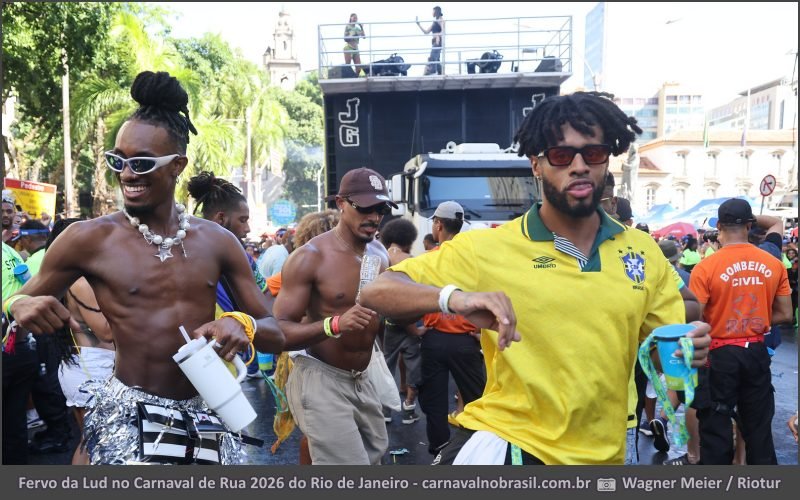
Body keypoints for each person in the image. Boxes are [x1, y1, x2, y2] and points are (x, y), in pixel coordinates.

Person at [360, 91, 711, 465]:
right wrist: (455, 299)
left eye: (593, 153)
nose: (579, 166)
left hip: (605, 454)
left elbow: (654, 353)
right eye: (561, 155)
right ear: (536, 165)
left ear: (606, 162)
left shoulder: (643, 251)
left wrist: (684, 349)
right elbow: (377, 292)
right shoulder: (490, 247)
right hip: (515, 448)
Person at [3, 70, 284, 465]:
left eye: (142, 163)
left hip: (206, 411)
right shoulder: (89, 239)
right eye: (118, 160)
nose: (127, 174)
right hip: (128, 417)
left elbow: (276, 332)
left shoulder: (218, 241)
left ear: (177, 165)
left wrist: (244, 324)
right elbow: (18, 300)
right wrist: (16, 307)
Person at [273, 167, 394, 464]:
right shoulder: (310, 257)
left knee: (373, 462)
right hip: (322, 379)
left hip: (362, 378)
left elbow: (381, 321)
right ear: (341, 203)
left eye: (381, 209)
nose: (374, 217)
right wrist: (335, 324)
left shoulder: (379, 254)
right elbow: (278, 331)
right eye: (365, 208)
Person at [688, 198, 792, 465]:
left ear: (719, 226)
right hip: (756, 352)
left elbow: (694, 319)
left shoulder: (706, 267)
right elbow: (786, 314)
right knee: (759, 431)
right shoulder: (773, 263)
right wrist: (752, 320)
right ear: (749, 226)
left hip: (719, 356)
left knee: (715, 431)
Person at [44, 218, 116, 465]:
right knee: (97, 445)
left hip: (88, 365)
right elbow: (106, 331)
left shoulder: (73, 277)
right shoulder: (81, 281)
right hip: (92, 369)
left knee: (91, 443)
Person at [418, 201, 486, 458]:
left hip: (434, 340)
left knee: (434, 401)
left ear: (438, 224)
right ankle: (478, 449)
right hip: (466, 342)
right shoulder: (473, 260)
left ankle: (439, 452)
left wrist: (414, 331)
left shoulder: (427, 260)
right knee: (477, 399)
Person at [187, 171, 272, 379]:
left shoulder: (243, 257)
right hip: (190, 358)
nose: (248, 228)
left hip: (226, 361)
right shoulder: (181, 249)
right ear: (221, 218)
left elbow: (267, 299)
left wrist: (245, 323)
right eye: (242, 220)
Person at [13, 220, 75, 456]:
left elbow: (17, 300)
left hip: (50, 330)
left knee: (49, 380)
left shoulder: (45, 260)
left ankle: (59, 434)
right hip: (67, 330)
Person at [2, 201, 40, 464]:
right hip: (20, 347)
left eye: (9, 211)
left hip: (12, 349)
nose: (8, 216)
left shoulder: (11, 251)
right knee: (14, 424)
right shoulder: (11, 252)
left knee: (13, 423)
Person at [378, 218, 424, 425]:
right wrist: (414, 328)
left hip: (388, 324)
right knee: (414, 366)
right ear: (409, 239)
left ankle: (385, 410)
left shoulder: (381, 258)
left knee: (387, 365)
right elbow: (414, 297)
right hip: (410, 323)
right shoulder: (411, 261)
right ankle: (408, 408)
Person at [416, 6, 444, 75]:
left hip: (438, 41)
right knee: (436, 59)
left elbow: (443, 31)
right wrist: (418, 24)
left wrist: (437, 36)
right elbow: (426, 32)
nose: (432, 12)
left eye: (433, 11)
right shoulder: (434, 22)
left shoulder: (441, 20)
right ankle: (440, 73)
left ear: (436, 11)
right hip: (434, 41)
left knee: (432, 58)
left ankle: (432, 72)